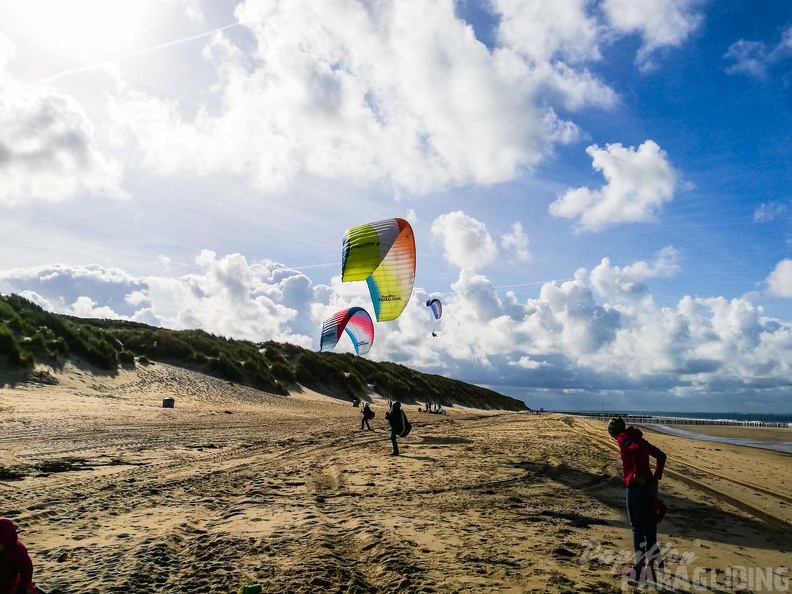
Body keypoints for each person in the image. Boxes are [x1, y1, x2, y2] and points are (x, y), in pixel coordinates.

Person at [607, 417, 667, 582]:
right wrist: (657, 474)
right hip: (650, 486)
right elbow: (661, 456)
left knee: (637, 528)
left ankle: (639, 570)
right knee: (650, 526)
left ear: (612, 431)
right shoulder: (638, 438)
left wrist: (637, 474)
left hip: (637, 488)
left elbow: (635, 451)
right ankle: (650, 569)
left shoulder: (623, 438)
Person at [0, 518, 34, 594]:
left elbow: (27, 571)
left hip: (9, 585)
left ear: (6, 540)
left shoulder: (17, 552)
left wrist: (22, 589)